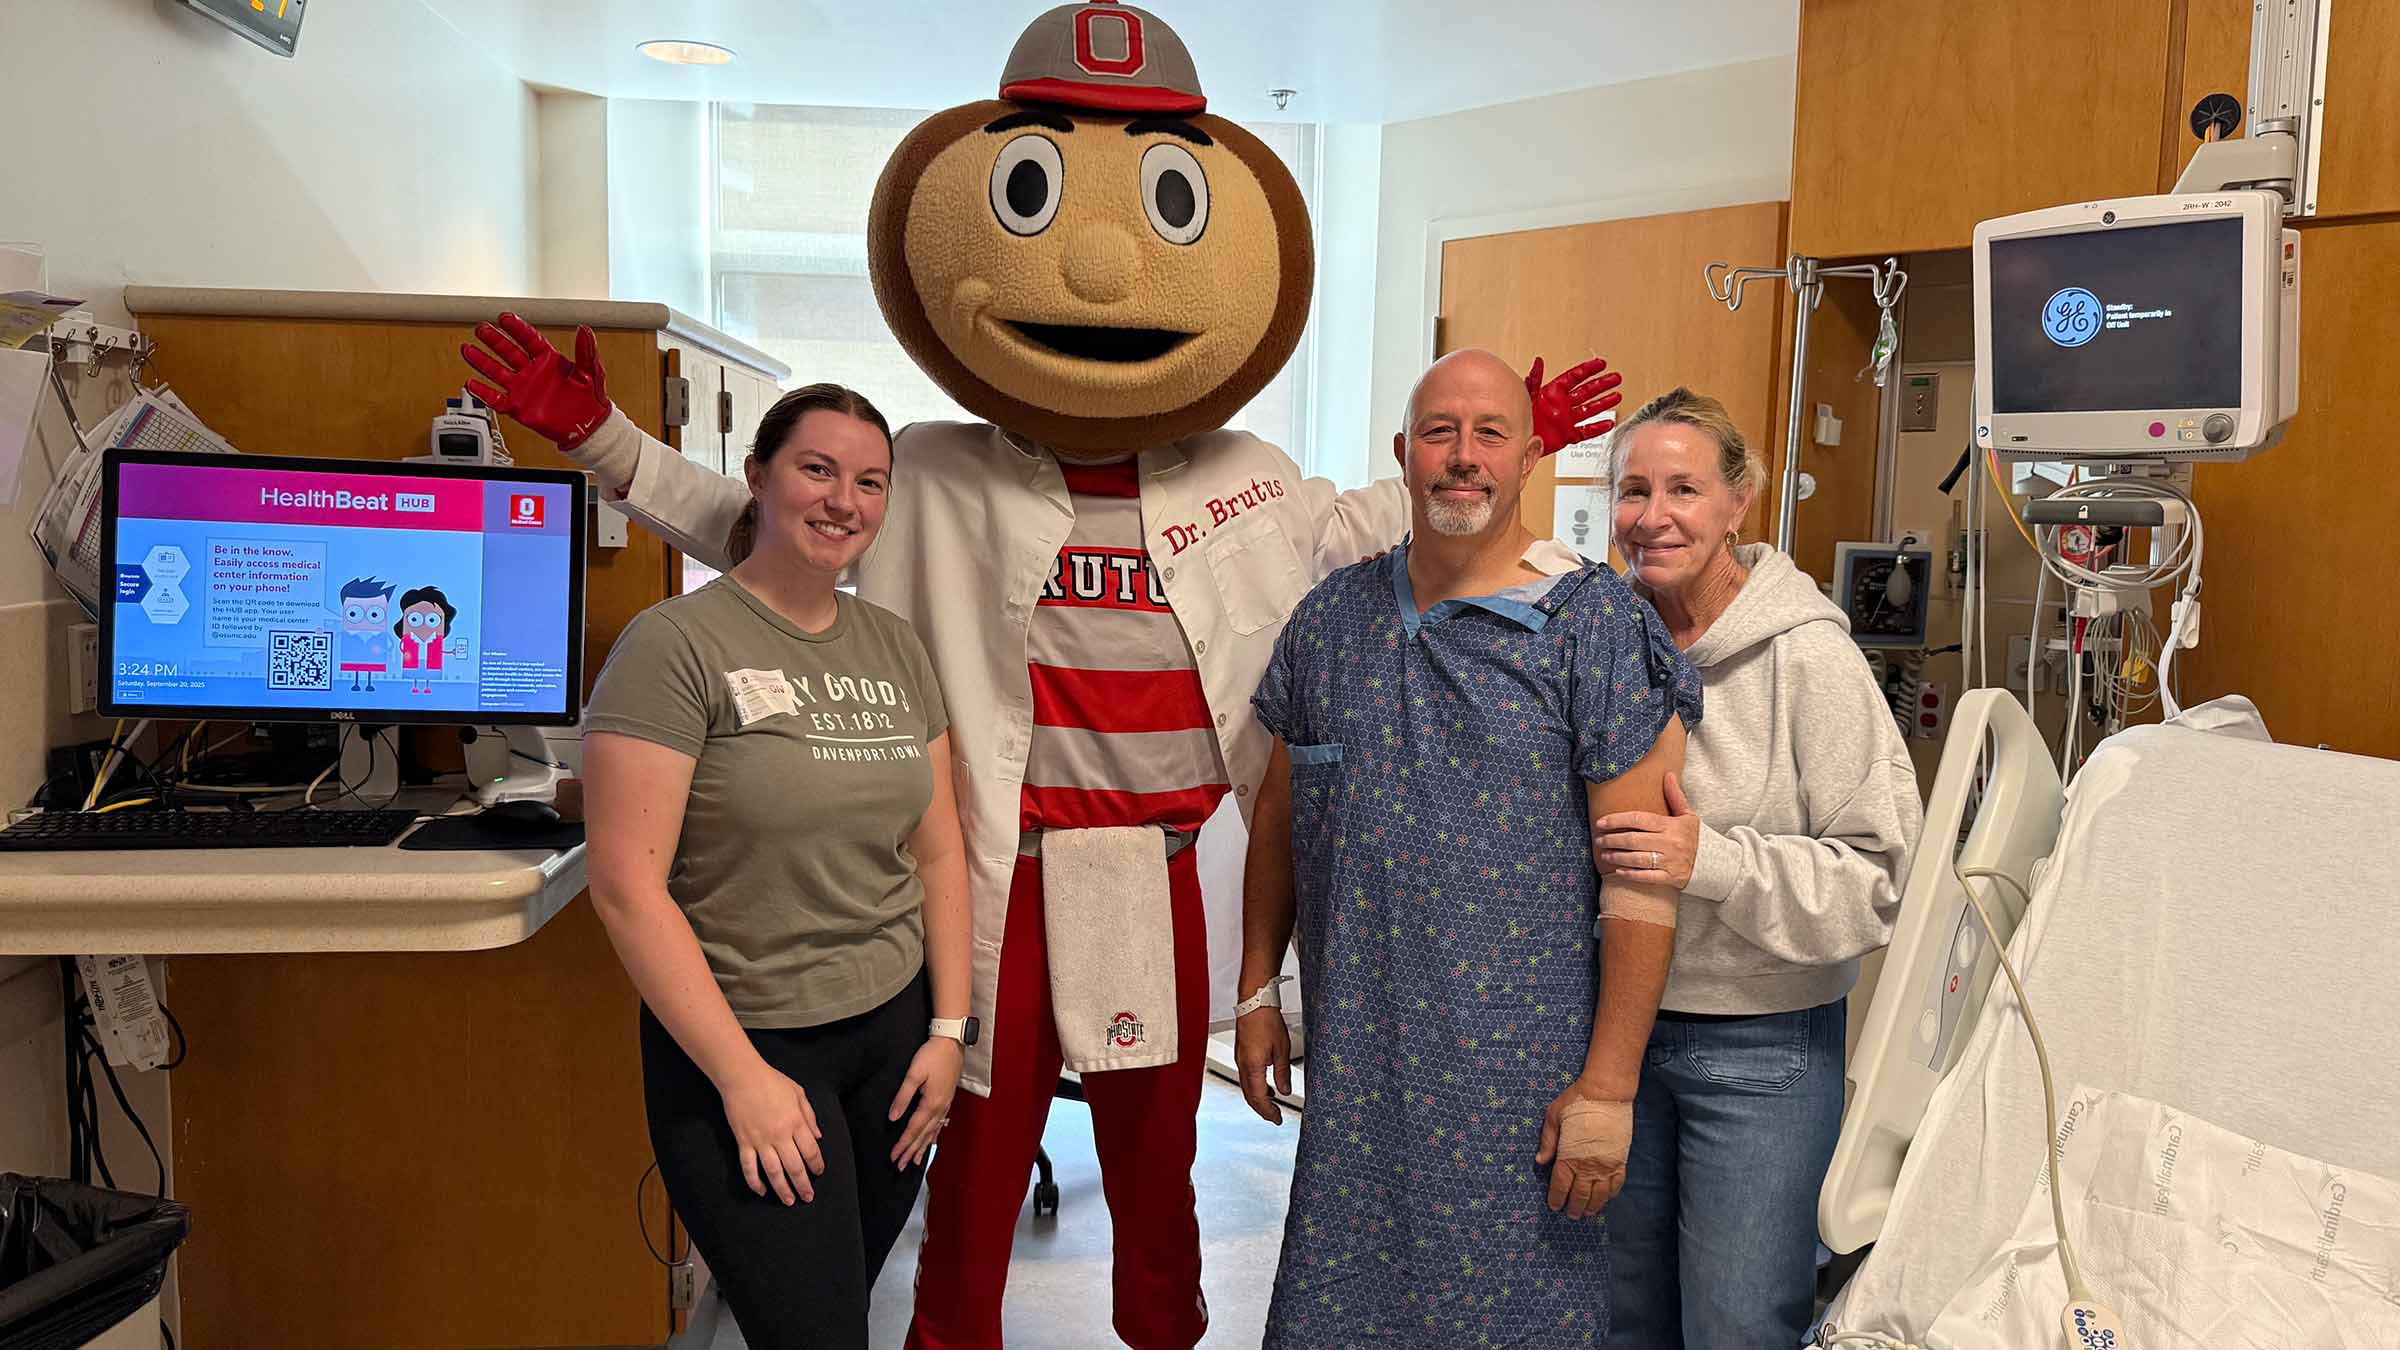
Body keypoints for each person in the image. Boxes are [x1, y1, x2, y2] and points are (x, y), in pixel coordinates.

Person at [462, 9, 1619, 1344]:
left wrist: (1492, 447)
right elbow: (760, 526)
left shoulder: (1246, 480)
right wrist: (603, 440)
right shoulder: (939, 467)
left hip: (1155, 864)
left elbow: (1393, 519)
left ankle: (1165, 1333)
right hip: (995, 865)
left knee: (1155, 1167)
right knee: (975, 1152)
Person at [1233, 350, 1702, 1347]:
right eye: (1440, 433)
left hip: (1522, 1093)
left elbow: (1640, 878)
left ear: (1532, 454)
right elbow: (1280, 818)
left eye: (1490, 433)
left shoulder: (1594, 625)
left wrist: (1610, 1088)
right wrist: (1255, 989)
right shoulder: (1334, 623)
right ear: (1404, 454)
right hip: (1359, 1081)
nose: (1463, 457)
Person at [580, 385, 973, 1350]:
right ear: (758, 477)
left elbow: (937, 846)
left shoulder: (893, 646)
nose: (845, 500)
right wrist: (741, 1079)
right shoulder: (675, 646)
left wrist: (952, 1031)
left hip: (892, 1043)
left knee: (841, 1306)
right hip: (747, 1047)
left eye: (870, 482)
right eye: (818, 469)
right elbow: (627, 887)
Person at [1589, 388, 1923, 1347]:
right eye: (1634, 490)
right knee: (1622, 1320)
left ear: (1741, 501)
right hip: (1615, 1034)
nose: (1653, 517)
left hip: (1760, 1051)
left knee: (1738, 1325)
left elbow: (1879, 880)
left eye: (1685, 489)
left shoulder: (1810, 660)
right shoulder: (1600, 641)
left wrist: (1715, 862)